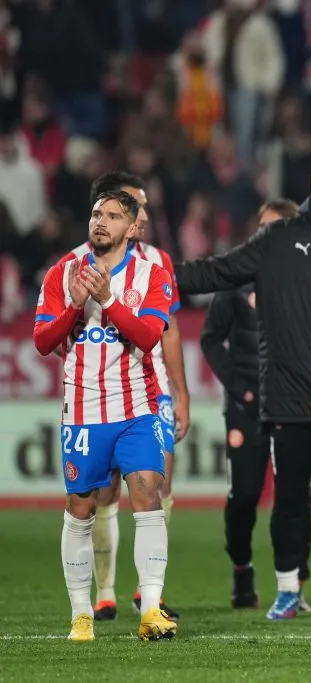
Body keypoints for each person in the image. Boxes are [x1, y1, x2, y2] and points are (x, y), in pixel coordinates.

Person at [174, 149, 311, 622]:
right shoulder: (278, 238)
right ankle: (288, 590)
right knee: (290, 497)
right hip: (290, 393)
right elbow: (217, 271)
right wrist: (155, 273)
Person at [34, 190, 177, 642]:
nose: (101, 221)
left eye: (114, 215)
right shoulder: (62, 273)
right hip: (82, 412)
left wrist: (109, 301)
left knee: (147, 496)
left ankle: (151, 608)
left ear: (133, 228)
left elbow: (150, 335)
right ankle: (82, 614)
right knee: (81, 509)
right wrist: (76, 304)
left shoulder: (151, 275)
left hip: (136, 407)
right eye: (96, 213)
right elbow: (41, 341)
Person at [61, 171, 189, 621]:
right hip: (91, 400)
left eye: (135, 208)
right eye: (112, 210)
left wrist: (180, 390)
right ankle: (105, 590)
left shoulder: (157, 263)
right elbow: (55, 335)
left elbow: (165, 331)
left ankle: (146, 592)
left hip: (146, 394)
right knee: (101, 494)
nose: (142, 216)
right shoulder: (71, 265)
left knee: (154, 484)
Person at [200, 198, 300, 609]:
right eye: (262, 227)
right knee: (244, 495)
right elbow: (210, 339)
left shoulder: (307, 280)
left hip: (291, 403)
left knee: (294, 499)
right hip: (246, 406)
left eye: (274, 227)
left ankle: (293, 583)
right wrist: (240, 388)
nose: (265, 235)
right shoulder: (237, 279)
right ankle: (242, 569)